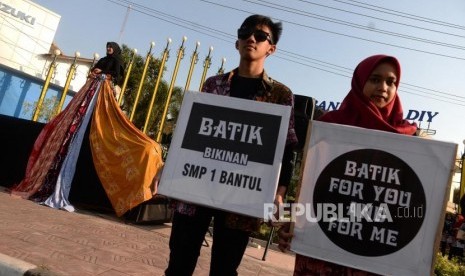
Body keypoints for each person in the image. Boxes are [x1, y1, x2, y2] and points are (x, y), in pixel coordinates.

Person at [164, 14, 298, 276]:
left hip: (243, 196)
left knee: (225, 269)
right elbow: (191, 133)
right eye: (245, 32)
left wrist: (280, 191)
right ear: (237, 42)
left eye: (260, 36)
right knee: (179, 262)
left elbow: (287, 147)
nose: (251, 38)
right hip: (196, 187)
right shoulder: (213, 85)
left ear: (271, 49)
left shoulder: (281, 95)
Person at [278, 54, 418, 275]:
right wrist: (294, 225)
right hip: (322, 249)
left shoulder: (409, 139)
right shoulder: (329, 127)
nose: (383, 87)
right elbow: (313, 186)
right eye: (374, 79)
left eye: (391, 82)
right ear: (359, 81)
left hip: (374, 252)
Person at [10, 41, 163, 217]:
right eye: (107, 47)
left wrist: (104, 75)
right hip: (91, 89)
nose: (109, 49)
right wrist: (95, 72)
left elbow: (117, 75)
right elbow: (95, 70)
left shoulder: (117, 62)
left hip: (103, 88)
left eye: (111, 47)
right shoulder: (104, 60)